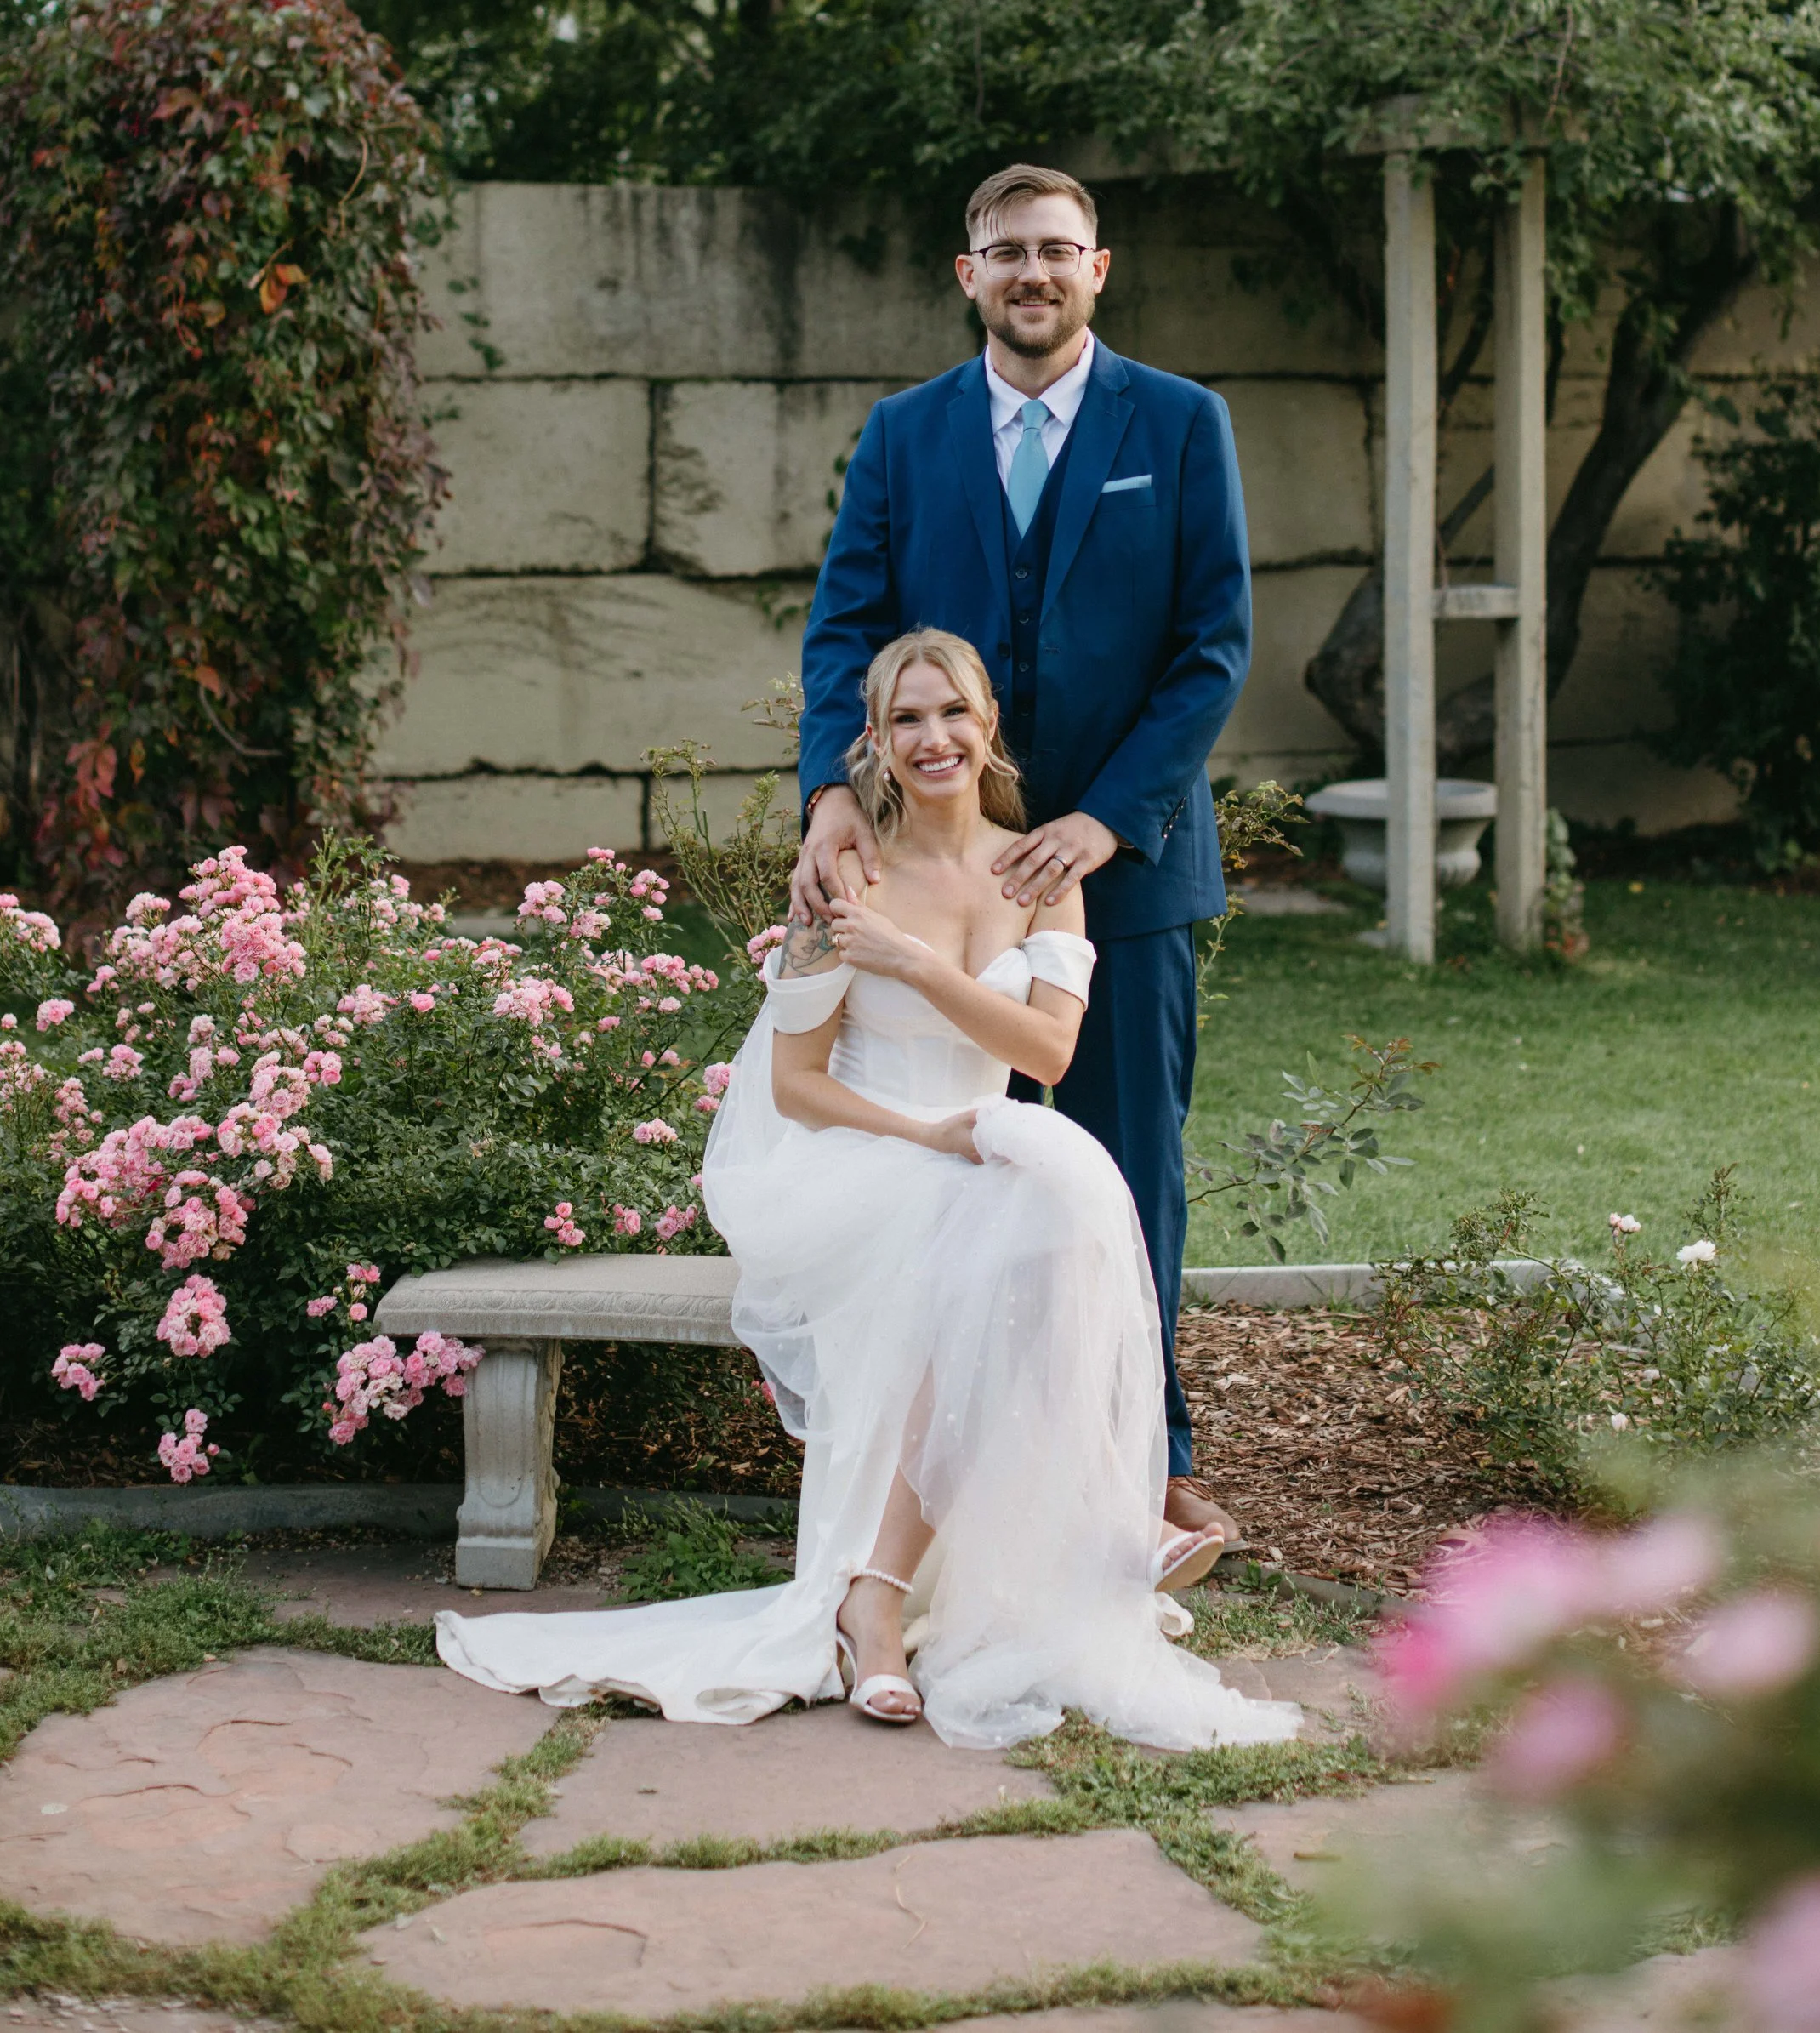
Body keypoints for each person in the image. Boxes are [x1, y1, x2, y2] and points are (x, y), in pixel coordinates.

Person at [435, 631, 1298, 1753]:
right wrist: (926, 1126)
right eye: (906, 718)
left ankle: (881, 1592)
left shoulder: (1040, 874)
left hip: (975, 1145)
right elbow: (796, 1089)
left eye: (953, 713)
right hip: (846, 1154)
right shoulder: (842, 877)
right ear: (877, 747)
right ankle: (1074, 1527)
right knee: (1020, 1201)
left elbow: (1047, 1054)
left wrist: (917, 968)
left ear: (989, 725)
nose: (933, 737)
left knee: (1057, 1185)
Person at [792, 162, 1248, 1547]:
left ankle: (1145, 1456)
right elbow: (843, 629)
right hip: (935, 873)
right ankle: (939, 1477)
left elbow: (1212, 646)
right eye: (1008, 252)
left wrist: (1106, 818)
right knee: (951, 1179)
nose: (1033, 272)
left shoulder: (1179, 424)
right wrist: (829, 797)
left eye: (1059, 249)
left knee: (1123, 1171)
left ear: (1098, 268)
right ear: (967, 272)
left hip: (1128, 872)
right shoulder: (903, 434)